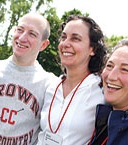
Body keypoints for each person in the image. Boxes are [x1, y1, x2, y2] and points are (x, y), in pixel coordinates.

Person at [0, 12, 56, 145]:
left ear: (43, 45)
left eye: (32, 34)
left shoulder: (50, 84)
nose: (22, 38)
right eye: (20, 30)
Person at [37, 15, 107, 145]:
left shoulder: (102, 90)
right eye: (63, 37)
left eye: (75, 38)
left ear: (93, 49)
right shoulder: (51, 86)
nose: (65, 44)